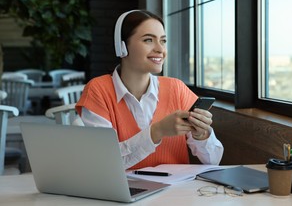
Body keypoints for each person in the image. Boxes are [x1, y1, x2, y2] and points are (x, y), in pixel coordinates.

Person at [76, 10, 224, 170]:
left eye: (163, 40)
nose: (160, 49)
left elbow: (213, 161)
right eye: (148, 40)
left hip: (176, 192)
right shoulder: (98, 90)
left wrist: (201, 135)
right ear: (122, 46)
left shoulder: (177, 88)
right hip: (124, 192)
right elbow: (104, 162)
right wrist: (157, 131)